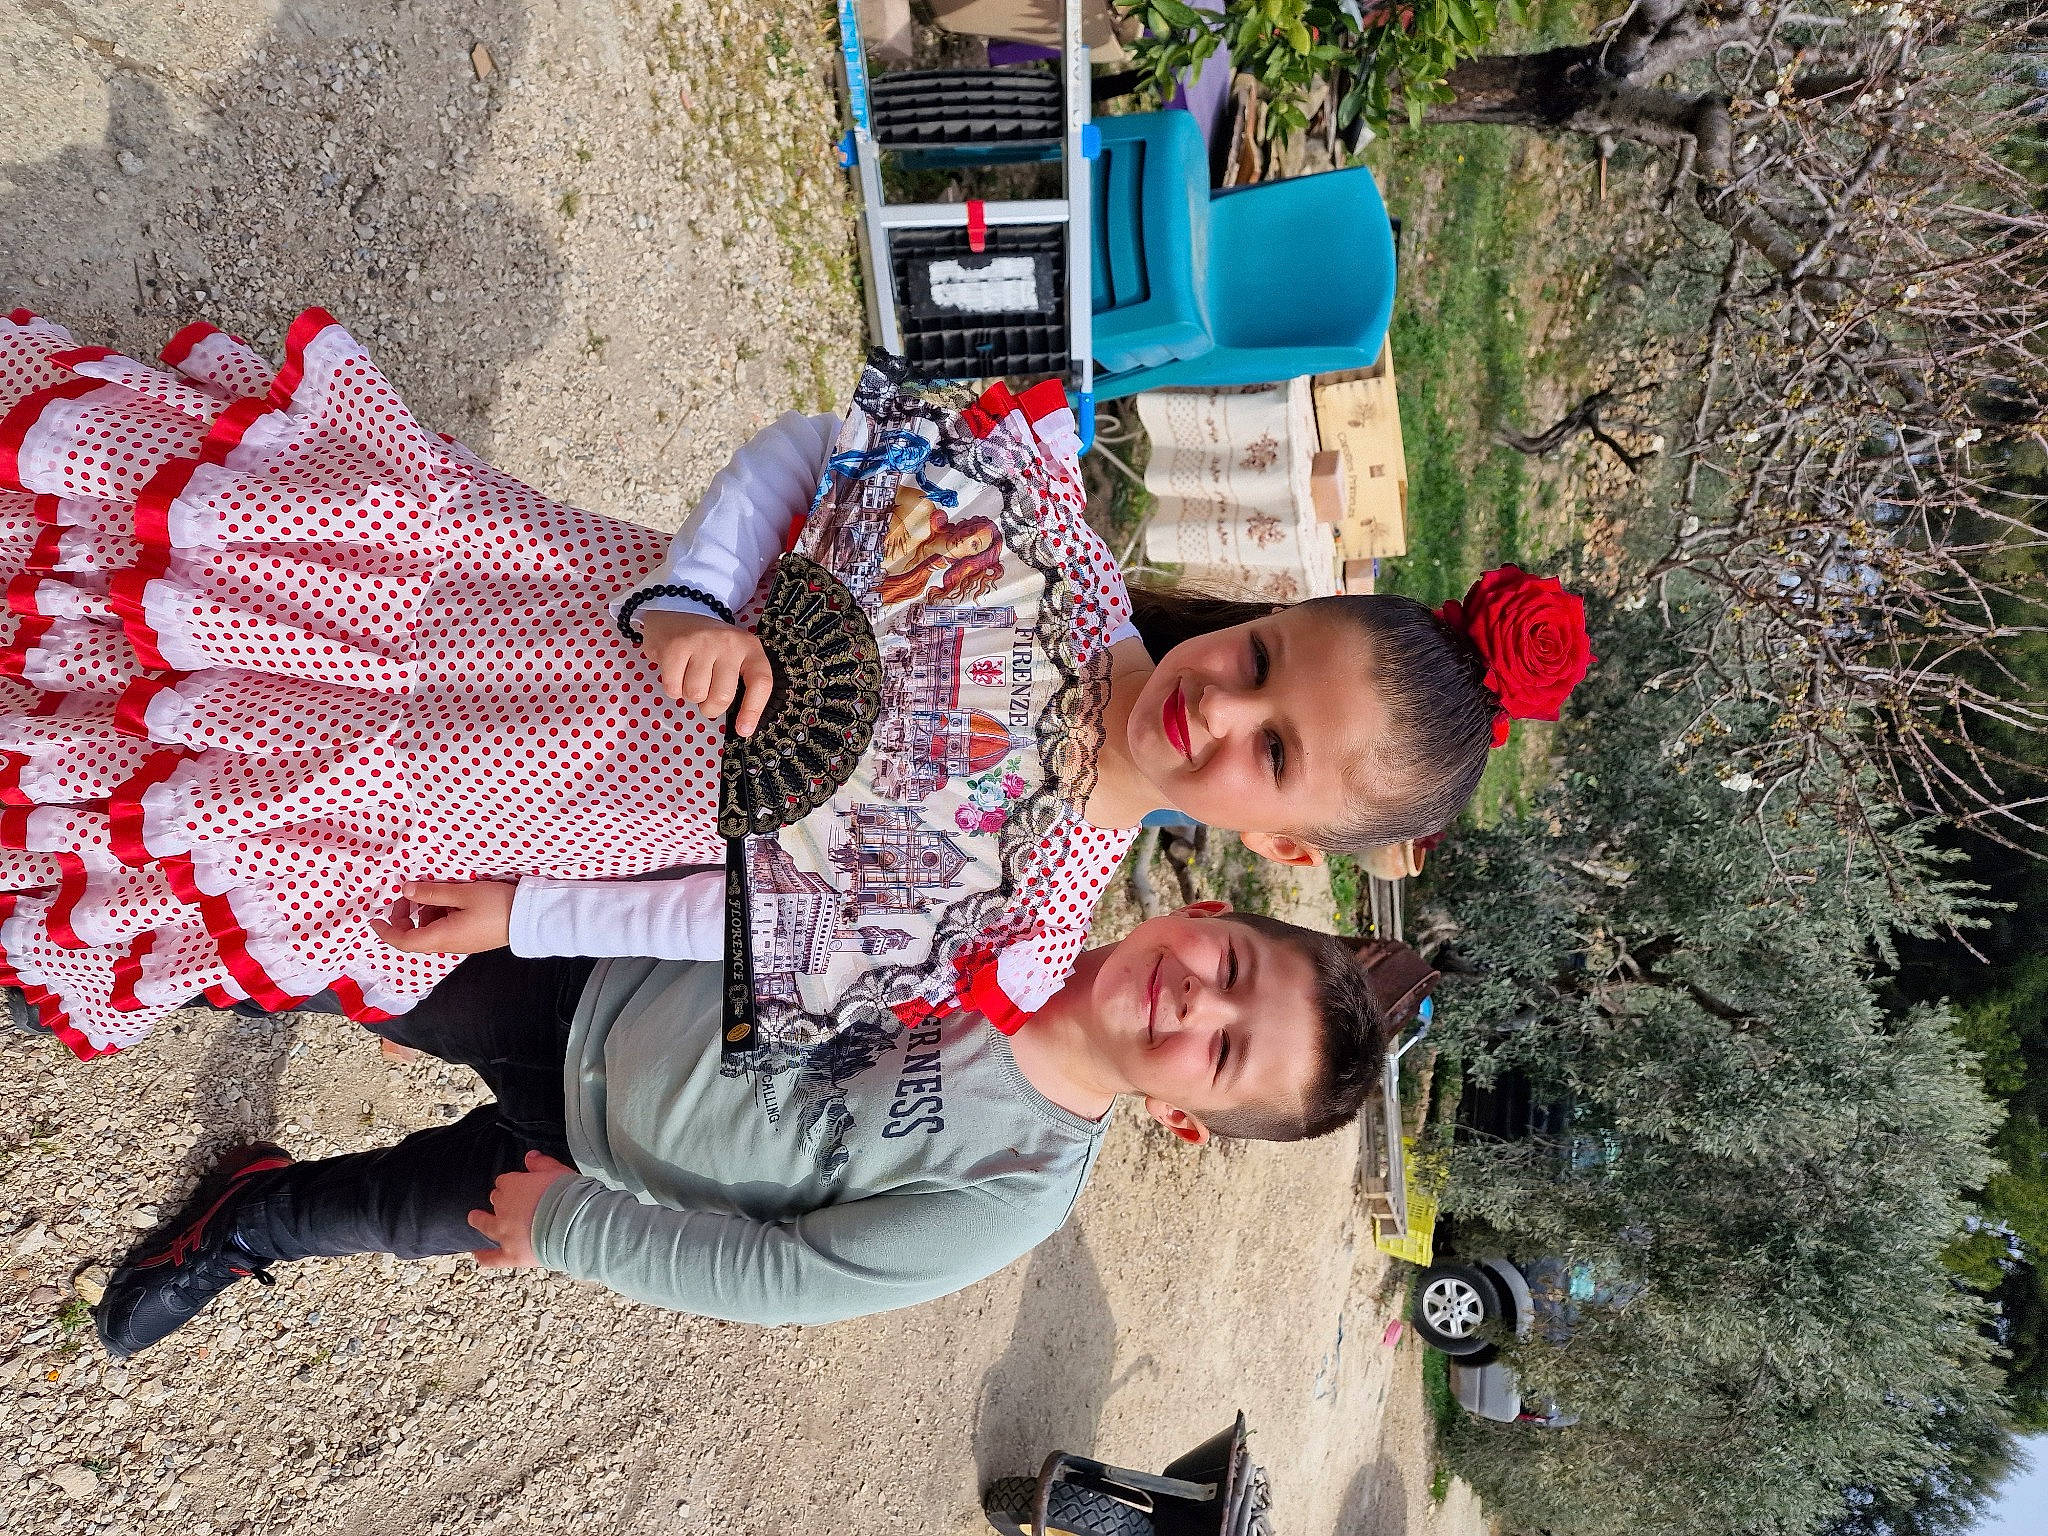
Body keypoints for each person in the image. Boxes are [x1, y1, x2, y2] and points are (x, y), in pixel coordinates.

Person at [0, 309, 1593, 1057]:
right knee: (218, 600)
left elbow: (731, 925)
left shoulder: (1028, 915)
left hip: (550, 805)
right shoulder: (1047, 541)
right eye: (1258, 662)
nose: (1221, 711)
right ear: (1262, 609)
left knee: (223, 783)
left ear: (1283, 847)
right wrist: (698, 594)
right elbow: (812, 453)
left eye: (1271, 756)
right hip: (542, 600)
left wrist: (519, 916)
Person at [90, 901, 1382, 1356]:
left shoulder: (1013, 1190)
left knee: (381, 1213)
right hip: (587, 978)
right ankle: (137, 951)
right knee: (347, 955)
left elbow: (787, 1278)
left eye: (1223, 1050)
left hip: (586, 1169)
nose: (1194, 1001)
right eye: (1228, 964)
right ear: (1204, 911)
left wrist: (580, 1230)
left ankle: (247, 1221)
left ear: (1182, 1116)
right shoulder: (1012, 893)